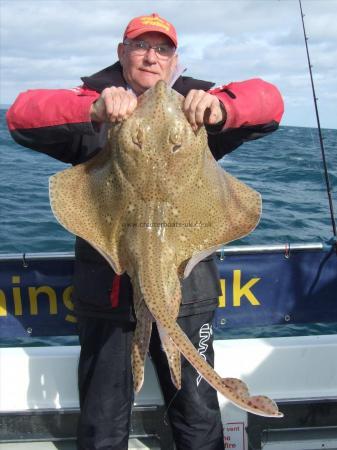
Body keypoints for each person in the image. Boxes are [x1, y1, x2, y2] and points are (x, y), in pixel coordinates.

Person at [6, 12, 284, 450]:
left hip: (187, 289)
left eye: (163, 48)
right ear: (122, 53)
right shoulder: (95, 108)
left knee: (195, 410)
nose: (151, 57)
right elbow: (21, 115)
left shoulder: (198, 111)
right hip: (108, 295)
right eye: (140, 46)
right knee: (102, 417)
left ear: (175, 61)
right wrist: (92, 110)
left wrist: (222, 109)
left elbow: (269, 102)